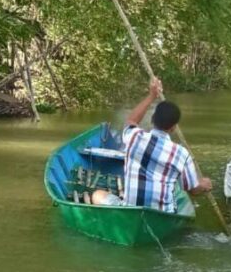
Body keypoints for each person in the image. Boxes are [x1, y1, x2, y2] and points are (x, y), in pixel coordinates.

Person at [91, 77, 212, 211]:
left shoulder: (135, 137)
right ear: (173, 128)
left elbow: (131, 120)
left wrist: (152, 96)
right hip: (163, 214)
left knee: (97, 195)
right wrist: (204, 184)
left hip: (131, 210)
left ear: (152, 119)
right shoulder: (182, 154)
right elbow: (193, 190)